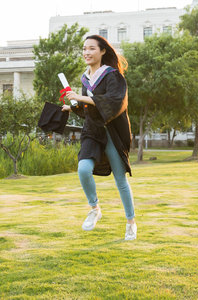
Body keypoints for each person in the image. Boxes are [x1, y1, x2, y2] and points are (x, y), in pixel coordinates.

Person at [61, 35, 136, 240]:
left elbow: (114, 102)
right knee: (83, 169)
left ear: (103, 51)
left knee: (120, 180)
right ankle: (94, 208)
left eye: (92, 48)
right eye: (84, 49)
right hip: (92, 131)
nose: (87, 52)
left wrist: (81, 97)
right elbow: (89, 109)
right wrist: (73, 106)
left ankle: (130, 222)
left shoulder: (113, 76)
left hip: (112, 132)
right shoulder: (86, 79)